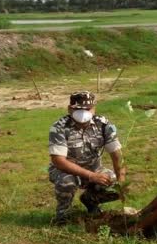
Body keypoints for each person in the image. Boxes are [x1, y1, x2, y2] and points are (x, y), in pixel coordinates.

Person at [48, 91, 126, 224]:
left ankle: (91, 201)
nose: (83, 113)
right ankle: (63, 215)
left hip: (94, 168)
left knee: (113, 181)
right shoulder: (59, 127)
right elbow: (58, 161)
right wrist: (91, 176)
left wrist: (122, 182)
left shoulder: (104, 125)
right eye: (78, 109)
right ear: (69, 109)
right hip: (66, 171)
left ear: (94, 109)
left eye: (88, 109)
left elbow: (116, 154)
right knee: (66, 182)